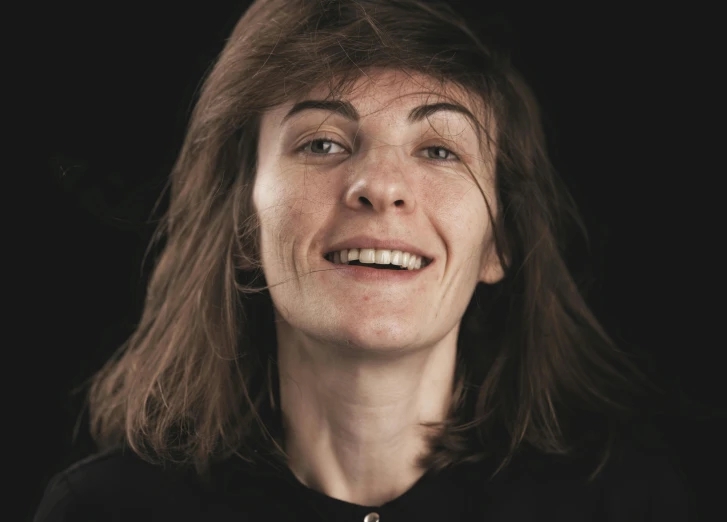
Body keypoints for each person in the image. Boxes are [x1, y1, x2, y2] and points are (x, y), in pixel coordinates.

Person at [34, 0, 693, 520]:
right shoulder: (106, 512)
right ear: (242, 226)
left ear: (501, 241)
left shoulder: (626, 502)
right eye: (321, 143)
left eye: (439, 150)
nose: (380, 184)